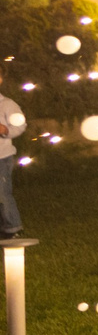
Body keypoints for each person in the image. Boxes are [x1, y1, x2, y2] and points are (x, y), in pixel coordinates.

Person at [0, 89, 22, 239]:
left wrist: (6, 130)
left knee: (2, 193)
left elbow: (20, 126)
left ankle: (13, 228)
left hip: (2, 156)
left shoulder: (7, 104)